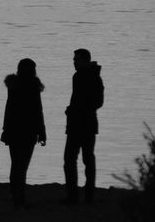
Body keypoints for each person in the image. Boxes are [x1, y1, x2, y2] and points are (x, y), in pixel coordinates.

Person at [1, 58, 46, 209]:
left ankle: (15, 194)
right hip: (28, 131)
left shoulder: (13, 86)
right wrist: (42, 132)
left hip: (13, 131)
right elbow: (38, 112)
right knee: (22, 166)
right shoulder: (33, 87)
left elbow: (9, 110)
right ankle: (19, 197)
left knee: (15, 164)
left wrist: (5, 130)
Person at [63, 48, 104, 204]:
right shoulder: (88, 76)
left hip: (81, 124)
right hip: (84, 123)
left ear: (85, 61)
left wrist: (74, 110)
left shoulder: (87, 77)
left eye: (77, 59)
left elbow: (96, 102)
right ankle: (85, 195)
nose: (74, 62)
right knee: (84, 159)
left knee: (73, 159)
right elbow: (96, 102)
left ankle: (78, 196)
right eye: (74, 59)